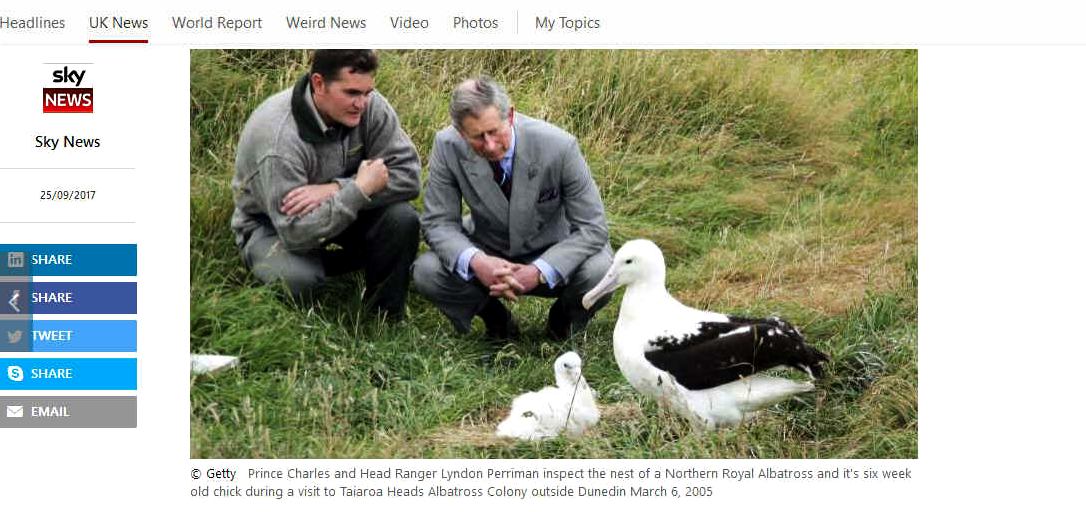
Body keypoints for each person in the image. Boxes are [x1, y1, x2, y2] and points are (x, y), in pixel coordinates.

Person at [413, 76, 613, 341]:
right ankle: (497, 320)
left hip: (555, 248)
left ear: (510, 115)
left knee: (600, 270)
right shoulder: (446, 145)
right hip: (488, 248)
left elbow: (593, 227)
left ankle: (562, 320)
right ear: (460, 132)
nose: (491, 146)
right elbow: (438, 224)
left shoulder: (560, 146)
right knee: (426, 271)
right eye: (477, 137)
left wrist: (540, 271)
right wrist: (477, 261)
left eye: (494, 131)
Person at [231, 50, 421, 318]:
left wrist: (338, 189)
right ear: (319, 84)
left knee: (403, 220)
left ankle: (384, 319)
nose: (362, 103)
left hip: (345, 209)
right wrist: (359, 188)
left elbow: (410, 176)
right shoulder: (278, 139)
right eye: (352, 93)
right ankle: (319, 266)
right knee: (299, 280)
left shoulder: (371, 105)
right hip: (273, 224)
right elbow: (295, 233)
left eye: (367, 92)